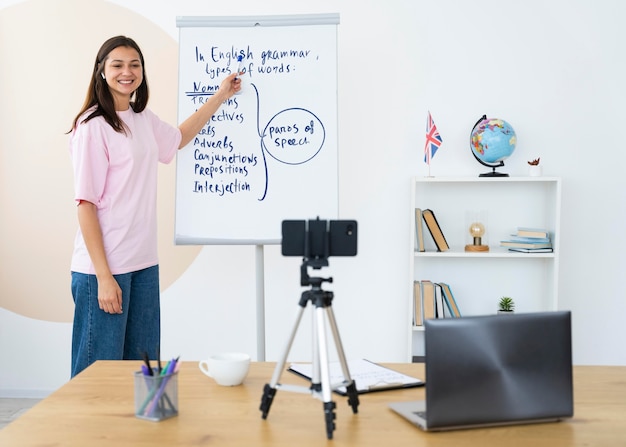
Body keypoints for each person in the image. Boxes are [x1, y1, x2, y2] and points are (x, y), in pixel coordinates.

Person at [68, 36, 241, 377]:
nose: (127, 72)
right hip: (104, 267)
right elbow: (85, 205)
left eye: (134, 64)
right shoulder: (92, 127)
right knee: (96, 375)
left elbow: (177, 138)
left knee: (141, 371)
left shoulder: (142, 118)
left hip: (143, 263)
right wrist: (104, 276)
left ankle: (136, 433)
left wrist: (220, 97)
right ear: (102, 71)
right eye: (117, 65)